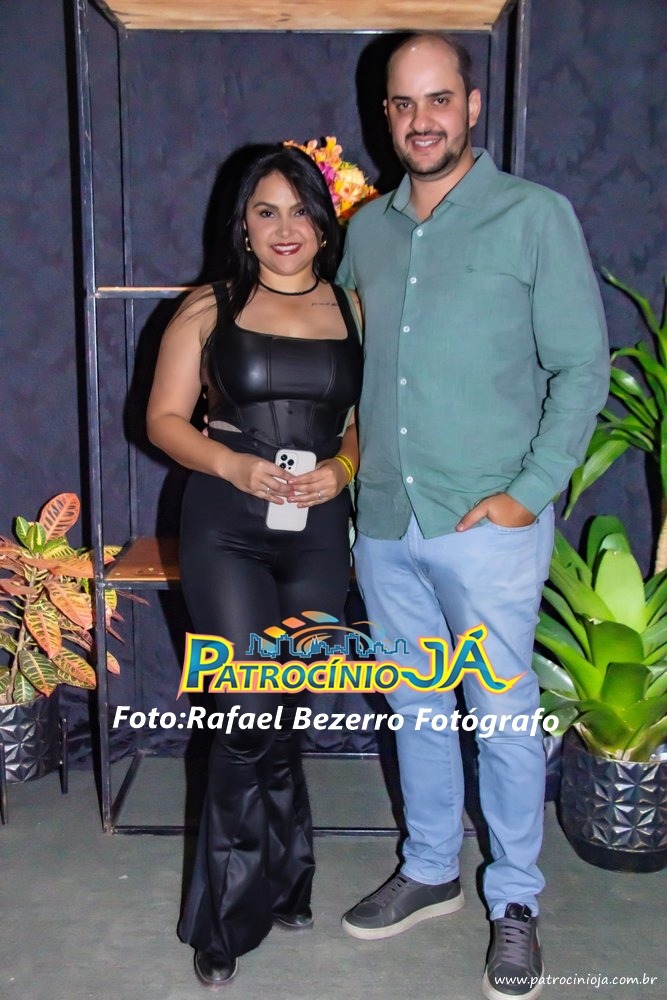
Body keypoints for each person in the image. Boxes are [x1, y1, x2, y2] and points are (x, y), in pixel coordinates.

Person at [337, 33, 609, 1000]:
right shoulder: (365, 232)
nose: (422, 121)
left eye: (438, 99)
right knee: (413, 706)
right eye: (403, 104)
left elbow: (581, 367)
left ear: (472, 105)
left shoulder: (534, 216)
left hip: (487, 523)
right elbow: (355, 364)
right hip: (385, 521)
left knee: (500, 717)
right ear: (386, 115)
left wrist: (528, 492)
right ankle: (429, 868)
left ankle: (516, 900)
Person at [146, 144, 363, 987]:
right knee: (245, 706)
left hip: (317, 528)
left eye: (300, 210)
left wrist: (341, 469)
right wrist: (232, 466)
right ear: (242, 223)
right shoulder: (209, 305)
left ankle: (286, 876)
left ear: (324, 223)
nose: (284, 228)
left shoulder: (354, 306)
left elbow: (366, 422)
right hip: (226, 525)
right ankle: (226, 916)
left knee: (286, 706)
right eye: (265, 210)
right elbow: (164, 419)